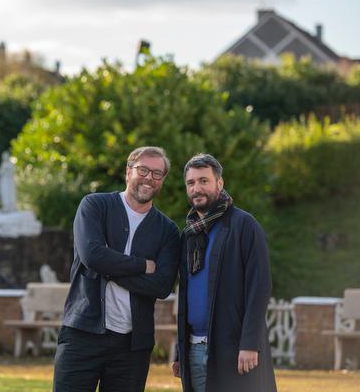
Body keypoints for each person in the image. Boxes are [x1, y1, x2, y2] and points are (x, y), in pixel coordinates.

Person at [53, 146, 181, 392]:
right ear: (128, 171)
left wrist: (109, 269)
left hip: (132, 346)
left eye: (157, 173)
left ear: (162, 179)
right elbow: (93, 256)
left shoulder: (167, 230)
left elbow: (162, 285)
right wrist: (142, 265)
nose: (149, 178)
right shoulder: (95, 206)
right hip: (82, 334)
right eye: (143, 170)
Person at [172, 153, 277, 392]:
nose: (196, 188)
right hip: (194, 349)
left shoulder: (244, 225)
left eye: (203, 181)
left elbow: (259, 286)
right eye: (191, 183)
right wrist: (180, 351)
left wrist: (249, 343)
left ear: (219, 183)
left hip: (235, 350)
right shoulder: (189, 234)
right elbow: (186, 295)